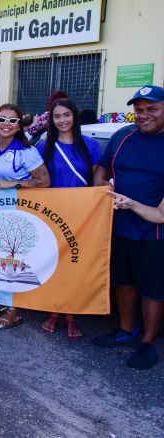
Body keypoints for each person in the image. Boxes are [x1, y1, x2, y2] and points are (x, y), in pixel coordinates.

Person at [93, 85, 164, 369]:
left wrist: (130, 203)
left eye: (152, 109)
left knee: (153, 290)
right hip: (118, 226)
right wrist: (101, 187)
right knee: (122, 282)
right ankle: (125, 331)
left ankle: (147, 343)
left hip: (154, 233)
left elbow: (161, 215)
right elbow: (102, 169)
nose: (144, 115)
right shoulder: (123, 136)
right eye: (139, 110)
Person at [0, 103, 50, 329]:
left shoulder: (26, 151)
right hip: (2, 210)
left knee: (19, 260)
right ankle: (1, 300)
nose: (6, 124)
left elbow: (44, 182)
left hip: (23, 211)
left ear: (19, 125)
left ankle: (15, 310)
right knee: (0, 256)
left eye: (12, 120)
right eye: (2, 119)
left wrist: (14, 183)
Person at [36, 98, 101, 340]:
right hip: (54, 213)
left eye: (66, 115)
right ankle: (54, 311)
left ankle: (72, 315)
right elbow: (40, 181)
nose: (62, 120)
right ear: (51, 120)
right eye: (57, 116)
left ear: (74, 116)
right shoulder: (45, 147)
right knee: (56, 264)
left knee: (76, 266)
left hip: (83, 215)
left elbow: (96, 182)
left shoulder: (91, 145)